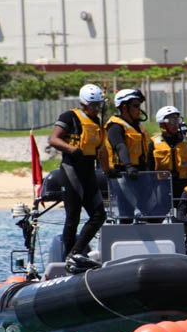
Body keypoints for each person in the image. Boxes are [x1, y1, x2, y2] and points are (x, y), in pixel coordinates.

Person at [48, 83, 108, 266]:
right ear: (83, 104)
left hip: (89, 170)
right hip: (71, 169)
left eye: (99, 105)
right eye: (93, 106)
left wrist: (108, 171)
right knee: (73, 215)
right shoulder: (70, 117)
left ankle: (77, 251)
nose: (96, 109)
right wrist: (71, 149)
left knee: (99, 215)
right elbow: (54, 139)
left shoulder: (97, 122)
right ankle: (68, 256)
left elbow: (102, 150)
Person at [148, 106, 187, 200]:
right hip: (161, 186)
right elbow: (148, 168)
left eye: (177, 120)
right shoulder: (153, 144)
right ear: (162, 124)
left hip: (183, 184)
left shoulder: (186, 142)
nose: (176, 124)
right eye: (172, 121)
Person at [104, 88, 150, 179]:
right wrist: (128, 166)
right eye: (136, 106)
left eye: (139, 106)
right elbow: (120, 146)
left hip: (140, 172)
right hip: (122, 174)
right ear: (125, 107)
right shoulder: (115, 126)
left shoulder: (138, 126)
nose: (139, 110)